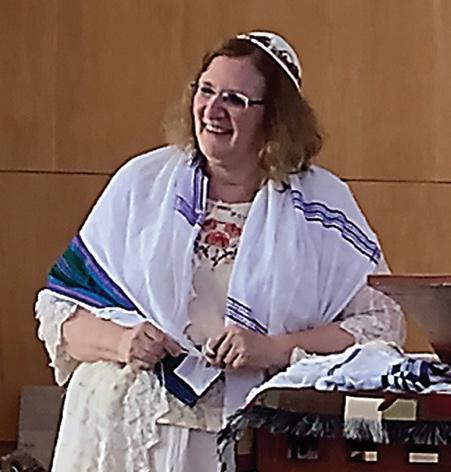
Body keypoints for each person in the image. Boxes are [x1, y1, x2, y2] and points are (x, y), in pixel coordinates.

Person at [35, 31, 405, 472]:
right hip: (130, 436)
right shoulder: (142, 185)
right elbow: (60, 312)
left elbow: (380, 326)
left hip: (256, 437)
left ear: (275, 118)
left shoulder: (323, 206)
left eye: (234, 99)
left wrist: (274, 348)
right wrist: (123, 342)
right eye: (206, 90)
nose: (212, 110)